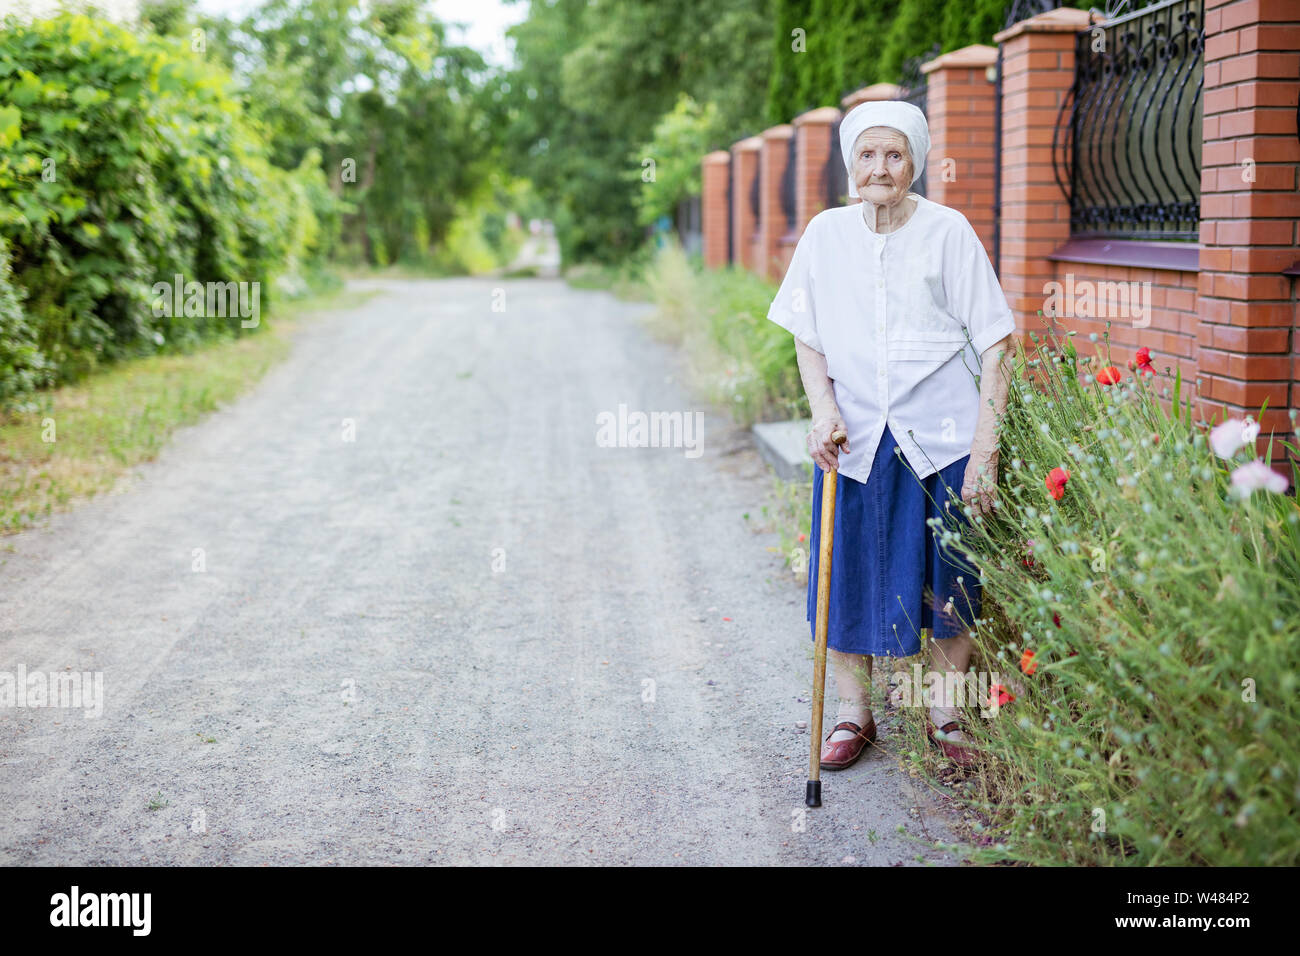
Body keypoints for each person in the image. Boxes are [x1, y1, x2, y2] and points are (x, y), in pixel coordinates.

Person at [766, 100, 1015, 770]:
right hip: (854, 443)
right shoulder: (825, 235)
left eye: (895, 154)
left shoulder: (948, 232)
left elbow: (998, 342)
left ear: (916, 163)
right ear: (852, 163)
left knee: (951, 588)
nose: (881, 168)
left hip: (943, 440)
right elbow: (807, 335)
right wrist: (822, 409)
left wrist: (984, 455)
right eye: (868, 155)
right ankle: (855, 716)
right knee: (845, 581)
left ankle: (946, 718)